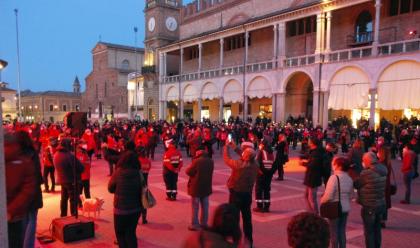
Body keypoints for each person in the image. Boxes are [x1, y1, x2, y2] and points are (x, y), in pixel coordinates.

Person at [5, 132, 37, 248]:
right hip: (16, 213)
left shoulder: (24, 160)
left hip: (15, 212)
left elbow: (29, 186)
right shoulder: (25, 159)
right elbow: (29, 186)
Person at [223, 139, 258, 247]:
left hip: (236, 194)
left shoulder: (239, 165)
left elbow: (226, 159)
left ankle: (235, 241)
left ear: (245, 157)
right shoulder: (255, 164)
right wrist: (234, 146)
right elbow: (246, 155)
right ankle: (249, 242)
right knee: (247, 219)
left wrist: (226, 147)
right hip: (247, 195)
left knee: (234, 218)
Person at [108, 151, 145, 248]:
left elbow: (110, 188)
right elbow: (143, 189)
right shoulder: (139, 173)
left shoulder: (118, 172)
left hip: (120, 209)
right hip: (136, 209)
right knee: (131, 233)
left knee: (120, 234)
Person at [354, 152, 387, 248]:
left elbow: (357, 184)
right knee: (377, 229)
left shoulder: (367, 173)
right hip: (380, 203)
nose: (363, 163)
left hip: (369, 205)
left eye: (364, 161)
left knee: (369, 232)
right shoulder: (383, 169)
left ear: (368, 161)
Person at [320, 157, 354, 248]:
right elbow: (351, 196)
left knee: (333, 231)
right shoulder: (349, 178)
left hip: (335, 208)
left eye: (334, 163)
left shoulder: (334, 178)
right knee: (342, 231)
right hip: (345, 208)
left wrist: (322, 200)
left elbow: (328, 196)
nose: (332, 165)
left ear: (338, 166)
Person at [185, 147, 214, 231]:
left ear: (199, 153)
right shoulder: (210, 161)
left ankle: (195, 224)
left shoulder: (197, 161)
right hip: (206, 186)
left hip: (196, 187)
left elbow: (188, 171)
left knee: (195, 206)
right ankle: (204, 223)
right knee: (205, 206)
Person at [54, 138, 84, 217]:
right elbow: (81, 168)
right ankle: (73, 216)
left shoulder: (56, 154)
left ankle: (63, 215)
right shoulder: (69, 155)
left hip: (62, 180)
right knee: (73, 199)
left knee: (64, 199)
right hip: (71, 180)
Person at [300, 138, 324, 214]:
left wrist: (303, 164)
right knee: (307, 196)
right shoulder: (314, 151)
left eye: (310, 141)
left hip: (313, 178)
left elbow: (314, 164)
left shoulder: (317, 153)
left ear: (313, 143)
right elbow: (309, 157)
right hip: (310, 177)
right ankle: (311, 212)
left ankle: (315, 213)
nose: (309, 142)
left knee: (311, 198)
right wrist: (303, 157)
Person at [254, 140, 277, 212]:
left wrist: (259, 171)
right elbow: (274, 163)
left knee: (259, 190)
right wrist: (271, 173)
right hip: (269, 174)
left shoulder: (261, 152)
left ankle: (259, 206)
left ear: (263, 145)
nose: (259, 145)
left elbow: (257, 163)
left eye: (260, 144)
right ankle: (267, 207)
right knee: (267, 190)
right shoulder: (271, 152)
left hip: (261, 174)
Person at [377, 146, 392, 227]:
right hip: (387, 185)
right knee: (385, 203)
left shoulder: (381, 164)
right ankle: (383, 220)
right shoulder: (388, 163)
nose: (377, 154)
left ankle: (380, 220)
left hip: (381, 185)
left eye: (378, 152)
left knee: (380, 202)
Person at [138, 147, 152, 224]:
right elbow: (149, 168)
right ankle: (144, 219)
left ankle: (136, 219)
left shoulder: (137, 161)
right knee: (145, 202)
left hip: (137, 183)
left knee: (137, 202)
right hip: (145, 184)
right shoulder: (147, 161)